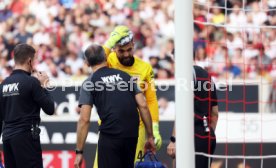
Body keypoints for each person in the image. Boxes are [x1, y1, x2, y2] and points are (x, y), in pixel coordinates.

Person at [85, 25, 162, 167]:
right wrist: (110, 42)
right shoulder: (108, 61)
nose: (126, 54)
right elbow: (95, 57)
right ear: (114, 49)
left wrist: (155, 128)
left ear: (133, 44)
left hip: (136, 129)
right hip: (108, 128)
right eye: (121, 51)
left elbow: (150, 100)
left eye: (129, 49)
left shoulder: (145, 68)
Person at [0, 43, 55, 168]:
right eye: (34, 60)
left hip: (7, 139)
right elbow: (50, 108)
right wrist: (44, 84)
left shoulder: (3, 84)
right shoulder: (32, 82)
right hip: (26, 138)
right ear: (30, 61)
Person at [167, 65, 219, 168]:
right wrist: (208, 132)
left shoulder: (186, 75)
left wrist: (174, 140)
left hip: (192, 136)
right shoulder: (207, 76)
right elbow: (215, 112)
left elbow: (184, 110)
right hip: (207, 136)